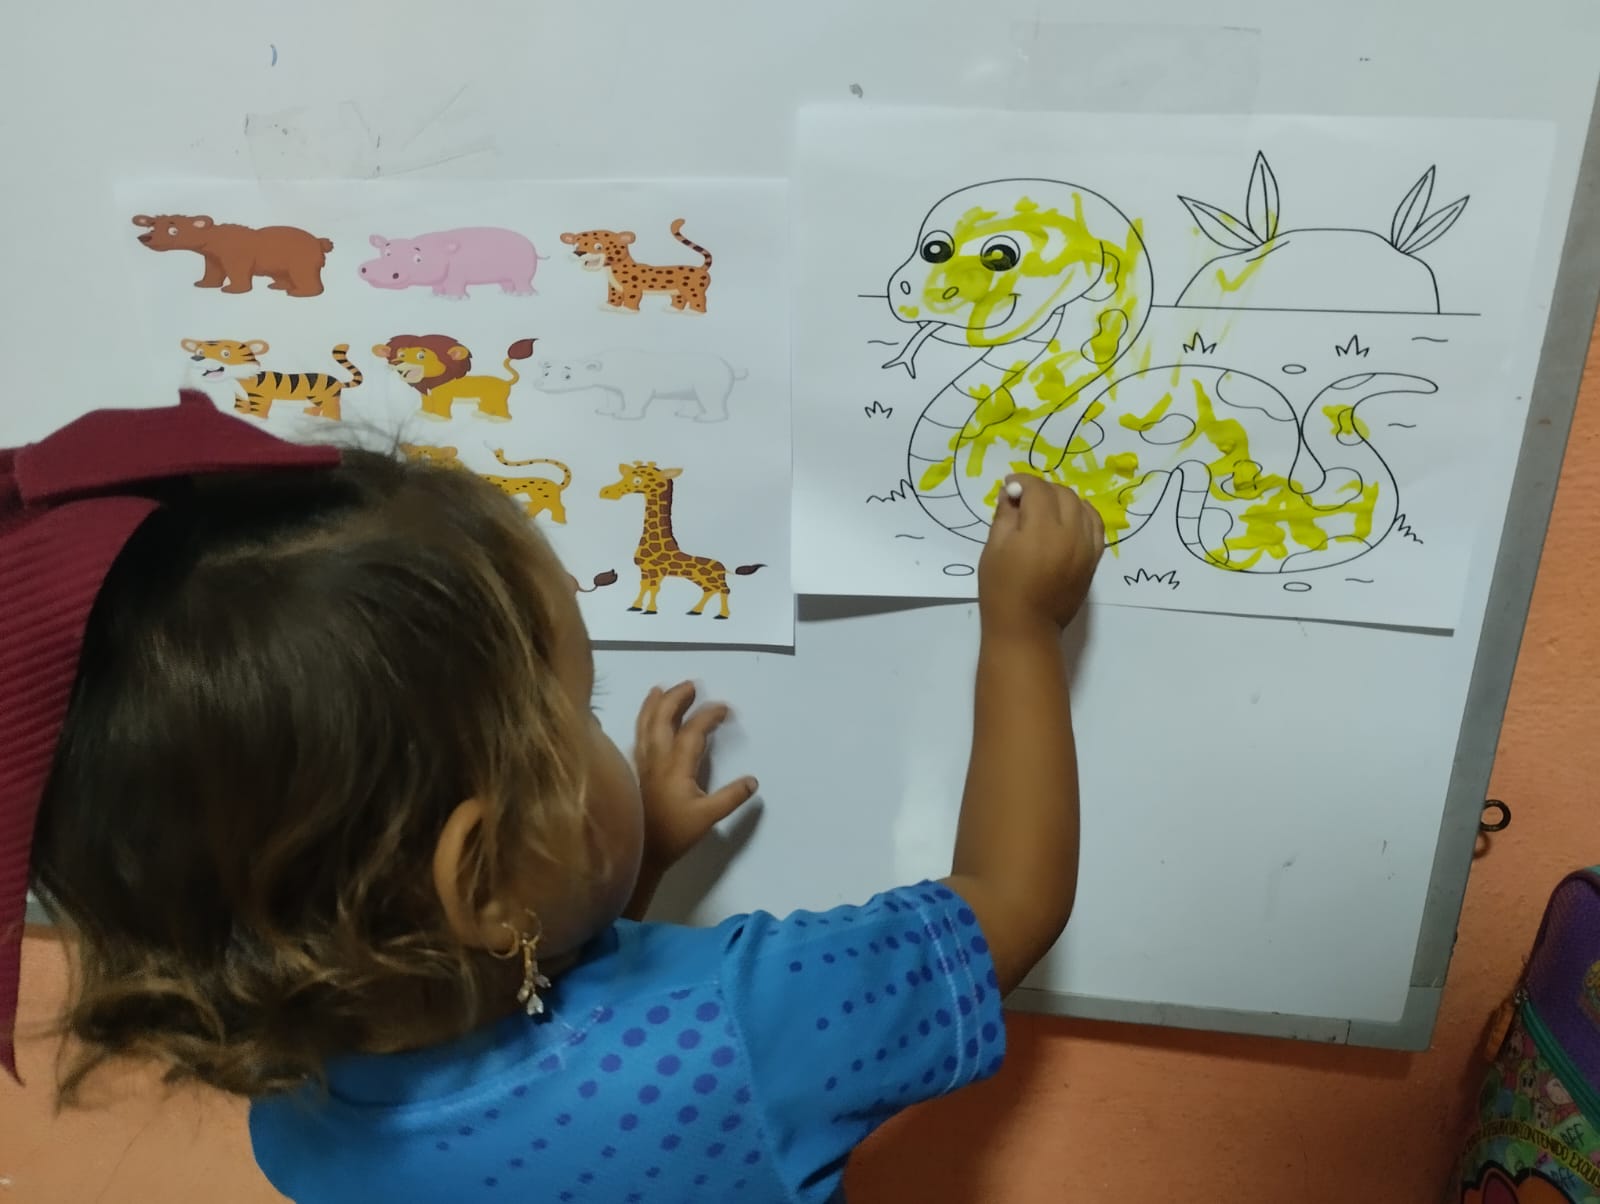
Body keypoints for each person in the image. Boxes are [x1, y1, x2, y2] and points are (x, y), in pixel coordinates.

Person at [0, 392, 1103, 1203]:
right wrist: (1021, 628)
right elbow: (1010, 900)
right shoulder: (746, 1027)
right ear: (484, 881)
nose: (594, 731)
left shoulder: (297, 1099)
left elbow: (519, 1019)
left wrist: (626, 861)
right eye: (583, 706)